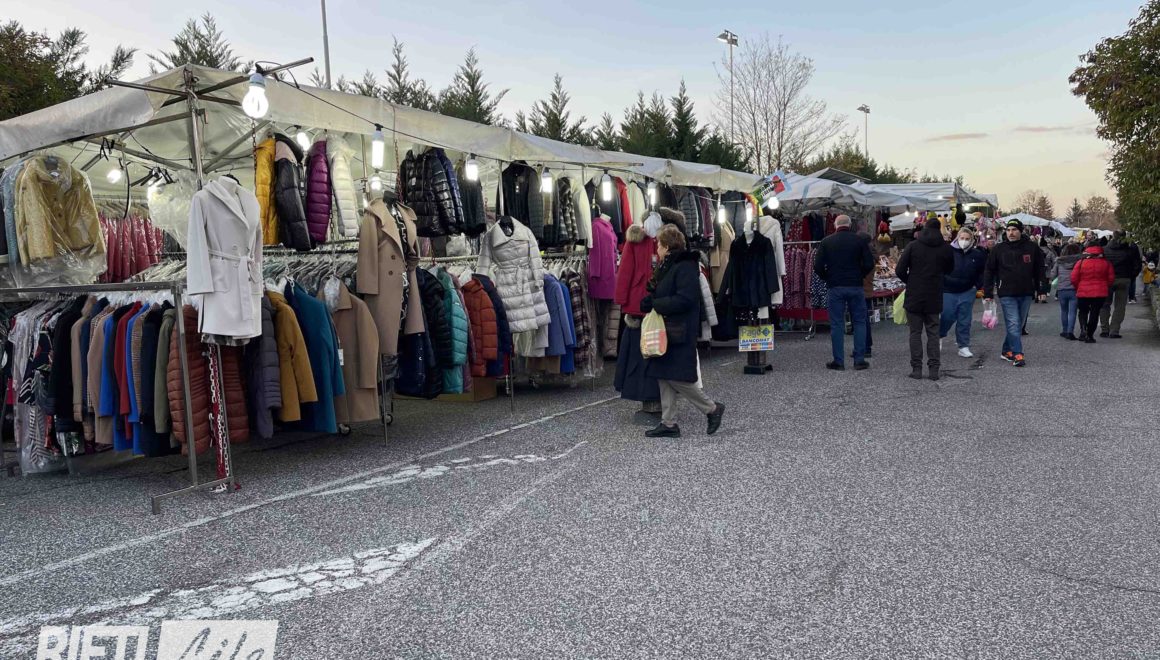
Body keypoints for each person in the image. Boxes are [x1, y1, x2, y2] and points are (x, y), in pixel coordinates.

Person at [640, 225, 725, 438]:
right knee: (662, 373)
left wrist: (657, 304)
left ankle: (711, 408)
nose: (656, 248)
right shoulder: (670, 265)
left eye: (659, 244)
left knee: (676, 377)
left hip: (679, 330)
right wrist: (650, 301)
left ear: (667, 246)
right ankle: (668, 423)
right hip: (669, 329)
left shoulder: (685, 266)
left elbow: (685, 299)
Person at [983, 218, 1048, 367]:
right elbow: (989, 271)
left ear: (1021, 231)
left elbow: (1039, 269)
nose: (1011, 233)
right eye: (1008, 230)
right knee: (1013, 322)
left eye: (1014, 230)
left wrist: (1041, 289)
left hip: (1026, 291)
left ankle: (1006, 350)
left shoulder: (1031, 247)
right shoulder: (999, 249)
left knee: (1019, 324)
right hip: (1006, 292)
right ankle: (1018, 354)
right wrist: (987, 292)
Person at [814, 214, 874, 371]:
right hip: (855, 286)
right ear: (850, 225)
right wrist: (860, 275)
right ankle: (859, 360)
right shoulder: (859, 241)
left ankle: (838, 361)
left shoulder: (826, 241)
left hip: (835, 287)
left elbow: (817, 266)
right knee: (859, 322)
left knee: (837, 324)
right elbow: (869, 263)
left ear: (835, 225)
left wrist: (827, 277)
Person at [896, 219, 955, 380]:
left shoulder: (913, 246)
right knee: (933, 333)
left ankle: (916, 368)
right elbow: (950, 269)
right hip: (934, 294)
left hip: (914, 294)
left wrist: (910, 281)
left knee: (915, 332)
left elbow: (900, 269)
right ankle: (934, 369)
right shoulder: (946, 248)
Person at [940, 227, 987, 358]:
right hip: (948, 290)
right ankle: (939, 335)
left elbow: (982, 271)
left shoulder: (977, 254)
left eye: (967, 239)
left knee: (965, 319)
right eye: (962, 238)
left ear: (971, 240)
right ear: (957, 238)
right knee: (947, 315)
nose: (964, 241)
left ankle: (963, 346)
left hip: (968, 291)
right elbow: (939, 268)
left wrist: (978, 286)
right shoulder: (947, 251)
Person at [1099, 231, 1142, 338]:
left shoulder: (1104, 249)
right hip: (1124, 278)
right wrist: (1131, 276)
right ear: (1124, 237)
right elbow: (1137, 264)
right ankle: (1114, 330)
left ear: (1113, 237)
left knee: (1104, 304)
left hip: (1107, 279)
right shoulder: (1130, 249)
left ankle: (1104, 329)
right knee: (1120, 306)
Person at [1070, 244, 1115, 343]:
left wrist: (1078, 287)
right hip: (1100, 292)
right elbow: (1111, 279)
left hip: (1083, 291)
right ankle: (1090, 335)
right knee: (1095, 313)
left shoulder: (1081, 262)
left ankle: (1083, 330)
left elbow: (1073, 278)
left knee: (1083, 311)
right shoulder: (1106, 263)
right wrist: (1105, 286)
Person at [1051, 243, 1083, 340]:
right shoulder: (1079, 262)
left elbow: (1053, 275)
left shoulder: (1059, 261)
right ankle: (1070, 332)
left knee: (1064, 311)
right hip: (1074, 289)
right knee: (1072, 312)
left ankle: (1064, 330)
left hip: (1062, 289)